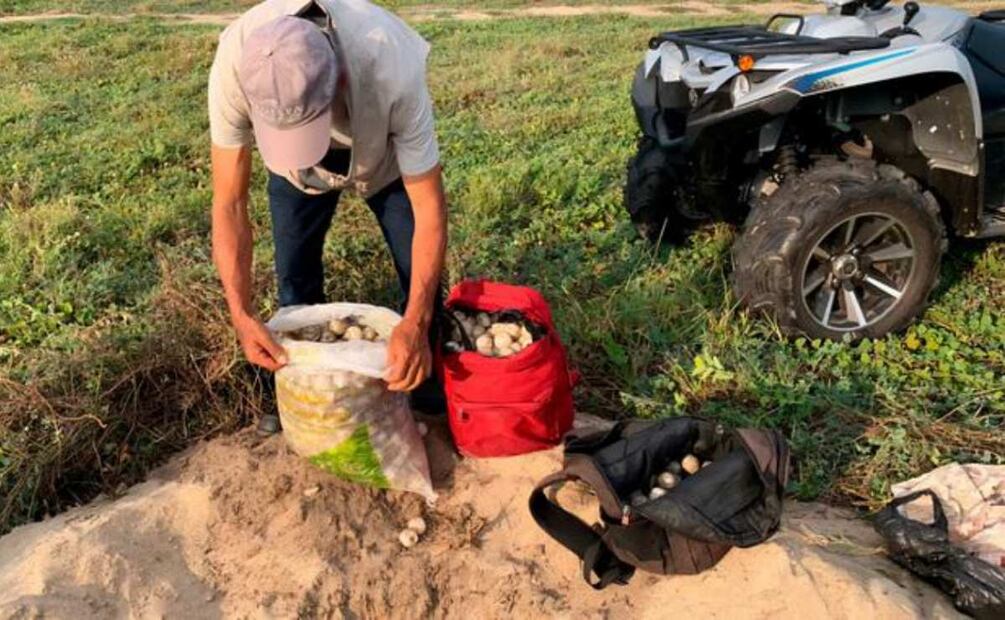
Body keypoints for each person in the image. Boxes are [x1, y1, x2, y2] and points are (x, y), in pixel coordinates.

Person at [208, 0, 447, 432]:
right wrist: (240, 314)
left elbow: (429, 209)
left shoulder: (392, 63)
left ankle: (427, 388)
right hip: (294, 175)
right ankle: (301, 393)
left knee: (419, 275)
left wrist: (415, 321)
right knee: (295, 279)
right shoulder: (236, 59)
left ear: (337, 76)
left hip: (385, 162)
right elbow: (229, 203)